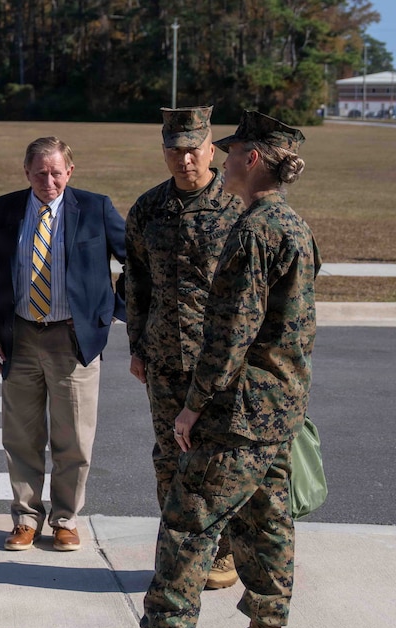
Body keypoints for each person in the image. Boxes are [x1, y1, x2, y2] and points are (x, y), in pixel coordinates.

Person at [105, 111, 320, 628]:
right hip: (278, 404)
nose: (217, 161)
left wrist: (193, 405)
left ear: (253, 158)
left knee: (188, 517)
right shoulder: (292, 224)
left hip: (237, 405)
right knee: (265, 516)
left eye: (227, 153)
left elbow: (232, 333)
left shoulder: (252, 229)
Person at [0, 136, 126, 553]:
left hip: (74, 339)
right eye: (40, 173)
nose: (49, 181)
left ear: (70, 172)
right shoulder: (5, 209)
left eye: (56, 172)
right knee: (21, 436)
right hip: (20, 336)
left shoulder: (95, 208)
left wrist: (113, 310)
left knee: (73, 438)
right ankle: (26, 517)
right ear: (27, 173)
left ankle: (65, 519)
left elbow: (139, 261)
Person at [123, 106, 244, 590]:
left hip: (221, 365)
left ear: (211, 149)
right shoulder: (149, 209)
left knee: (222, 463)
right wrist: (137, 346)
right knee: (170, 460)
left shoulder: (238, 206)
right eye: (174, 150)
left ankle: (224, 554)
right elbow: (136, 283)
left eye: (193, 149)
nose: (184, 160)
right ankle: (178, 557)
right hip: (165, 361)